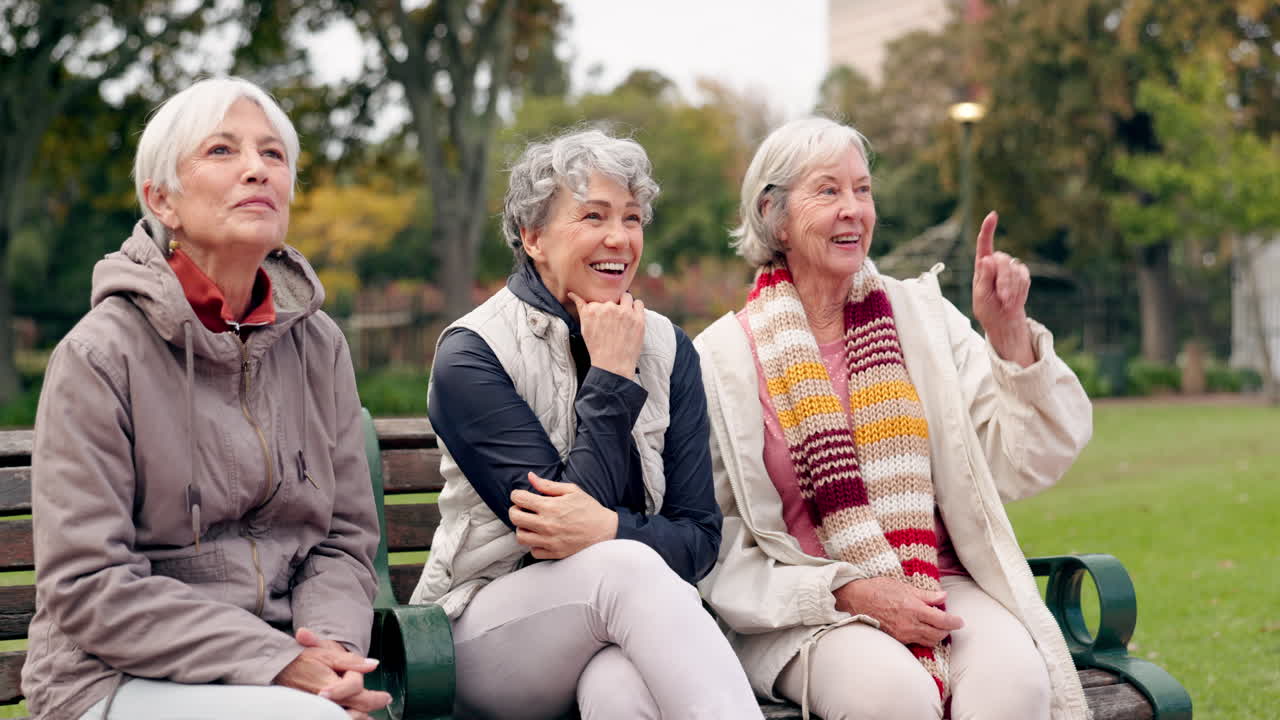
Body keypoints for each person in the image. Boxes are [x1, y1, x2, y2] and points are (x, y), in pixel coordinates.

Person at [693, 116, 1094, 720]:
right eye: (828, 191)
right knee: (891, 697)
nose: (853, 208)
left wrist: (1008, 334)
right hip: (806, 607)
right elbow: (717, 546)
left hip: (939, 580)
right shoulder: (721, 358)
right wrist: (851, 593)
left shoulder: (923, 321)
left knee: (1015, 688)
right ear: (774, 216)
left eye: (863, 189)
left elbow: (1030, 460)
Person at [21, 77, 390, 720]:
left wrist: (328, 655)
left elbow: (342, 540)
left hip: (287, 670)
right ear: (161, 199)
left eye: (273, 155)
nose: (257, 169)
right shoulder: (98, 355)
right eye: (222, 151)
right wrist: (276, 666)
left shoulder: (318, 344)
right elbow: (87, 585)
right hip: (111, 678)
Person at [409, 128, 761, 720]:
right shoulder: (472, 353)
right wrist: (614, 374)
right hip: (481, 634)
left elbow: (700, 540)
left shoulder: (670, 349)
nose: (619, 238)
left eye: (631, 217)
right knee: (621, 566)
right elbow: (554, 539)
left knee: (621, 688)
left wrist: (603, 526)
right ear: (533, 236)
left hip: (617, 621)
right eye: (593, 216)